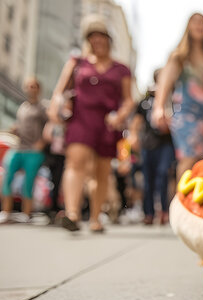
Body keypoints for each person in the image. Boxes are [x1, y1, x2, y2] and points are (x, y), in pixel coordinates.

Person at [47, 15, 134, 232]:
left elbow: (129, 100)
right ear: (88, 41)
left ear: (108, 40)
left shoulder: (121, 69)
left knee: (101, 172)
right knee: (75, 163)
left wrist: (120, 116)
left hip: (107, 123)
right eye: (92, 38)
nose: (97, 42)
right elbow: (59, 91)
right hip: (81, 118)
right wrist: (54, 108)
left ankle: (95, 218)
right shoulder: (77, 63)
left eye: (101, 37)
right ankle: (73, 214)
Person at [153, 13, 203, 181]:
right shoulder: (179, 57)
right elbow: (164, 83)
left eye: (202, 22)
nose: (199, 26)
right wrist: (159, 108)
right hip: (186, 118)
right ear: (188, 26)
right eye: (195, 22)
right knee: (187, 161)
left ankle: (196, 204)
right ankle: (181, 201)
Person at [130, 69, 175, 225]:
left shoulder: (174, 98)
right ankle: (148, 213)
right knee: (148, 179)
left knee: (163, 176)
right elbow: (137, 120)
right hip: (148, 144)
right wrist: (133, 136)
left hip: (166, 143)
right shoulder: (146, 100)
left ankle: (163, 211)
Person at [0, 78, 48, 224]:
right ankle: (6, 212)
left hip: (33, 150)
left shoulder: (42, 108)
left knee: (29, 181)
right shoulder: (22, 107)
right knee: (7, 177)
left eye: (34, 86)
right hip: (18, 147)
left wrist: (43, 142)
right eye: (28, 86)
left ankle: (26, 213)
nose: (31, 89)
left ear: (38, 89)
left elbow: (49, 126)